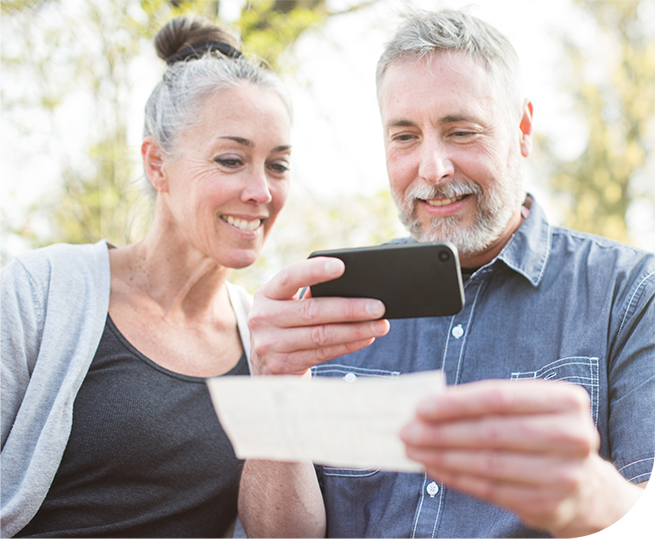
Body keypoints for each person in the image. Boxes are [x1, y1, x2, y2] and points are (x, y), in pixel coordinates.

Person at [238, 8, 655, 539]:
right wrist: (277, 393)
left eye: (461, 132)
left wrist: (592, 494)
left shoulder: (630, 293)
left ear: (522, 130)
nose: (432, 169)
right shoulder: (326, 304)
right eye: (405, 137)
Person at [0, 14, 292, 539]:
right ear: (157, 164)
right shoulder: (40, 291)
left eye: (278, 165)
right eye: (231, 160)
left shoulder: (267, 339)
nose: (261, 191)